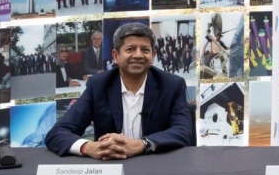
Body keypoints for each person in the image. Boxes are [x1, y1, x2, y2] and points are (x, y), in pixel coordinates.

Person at [45, 23, 193, 159]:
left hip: (157, 165)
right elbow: (57, 133)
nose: (138, 55)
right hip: (110, 167)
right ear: (116, 56)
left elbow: (183, 131)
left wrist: (142, 144)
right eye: (130, 49)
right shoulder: (98, 85)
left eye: (145, 50)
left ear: (153, 56)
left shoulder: (172, 85)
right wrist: (89, 147)